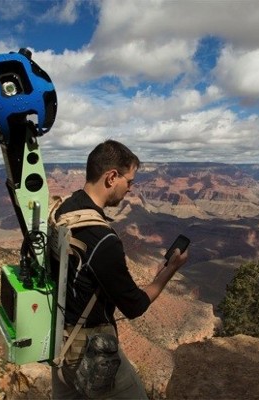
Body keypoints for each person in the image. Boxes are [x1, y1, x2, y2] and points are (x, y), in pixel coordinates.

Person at [51, 139, 189, 399]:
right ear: (111, 177)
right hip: (88, 352)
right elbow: (134, 306)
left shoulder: (64, 209)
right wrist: (170, 270)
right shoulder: (103, 239)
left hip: (59, 346)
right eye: (130, 181)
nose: (131, 189)